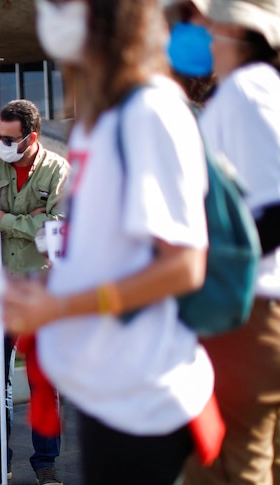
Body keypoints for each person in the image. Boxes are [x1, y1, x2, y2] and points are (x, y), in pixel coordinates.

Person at [0, 1, 217, 484]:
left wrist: (65, 305)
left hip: (145, 393)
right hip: (108, 385)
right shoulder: (105, 118)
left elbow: (184, 265)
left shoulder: (150, 112)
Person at [181, 0, 280, 483]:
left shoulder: (246, 90)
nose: (196, 29)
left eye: (205, 19)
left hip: (249, 312)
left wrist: (213, 271)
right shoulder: (253, 89)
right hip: (257, 311)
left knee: (226, 471)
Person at [0, 99, 68, 485]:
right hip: (0, 287)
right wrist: (32, 219)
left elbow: (59, 232)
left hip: (41, 288)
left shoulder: (57, 170)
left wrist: (8, 221)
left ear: (31, 138)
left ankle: (46, 464)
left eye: (7, 138)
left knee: (43, 380)